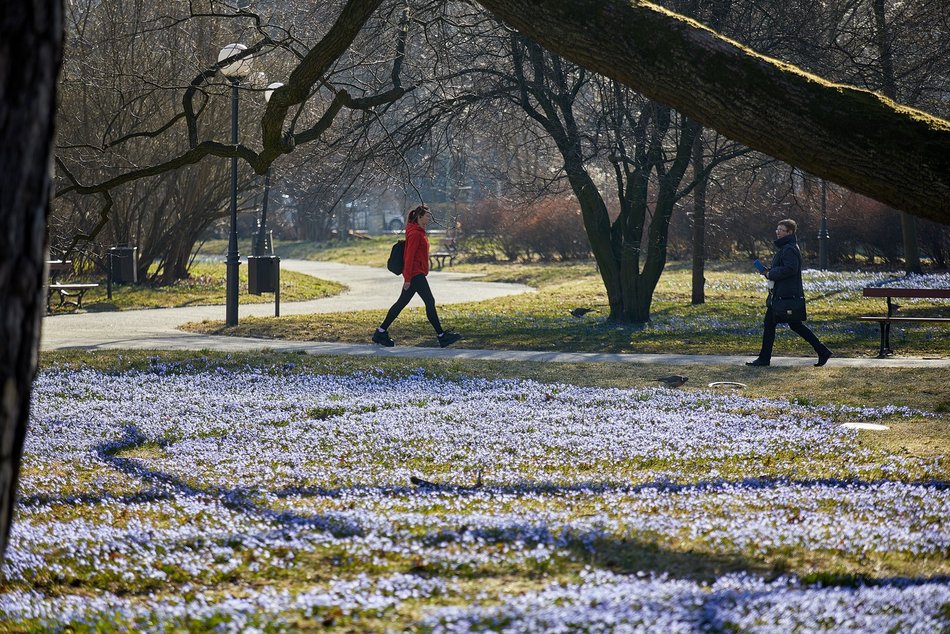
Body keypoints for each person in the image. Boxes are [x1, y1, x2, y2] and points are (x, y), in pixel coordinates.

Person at [372, 204, 462, 348]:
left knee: (401, 303)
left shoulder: (419, 232)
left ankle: (380, 332)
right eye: (427, 215)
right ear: (420, 217)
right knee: (429, 301)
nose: (429, 217)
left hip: (416, 273)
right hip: (415, 275)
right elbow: (409, 257)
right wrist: (407, 278)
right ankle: (442, 336)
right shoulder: (415, 234)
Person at [747, 219, 832, 367]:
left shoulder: (789, 249)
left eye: (781, 230)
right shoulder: (787, 248)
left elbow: (790, 269)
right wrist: (768, 271)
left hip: (785, 296)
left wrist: (770, 274)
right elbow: (784, 268)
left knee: (777, 325)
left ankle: (764, 359)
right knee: (790, 325)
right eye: (777, 229)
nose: (778, 232)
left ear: (790, 232)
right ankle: (822, 351)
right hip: (783, 295)